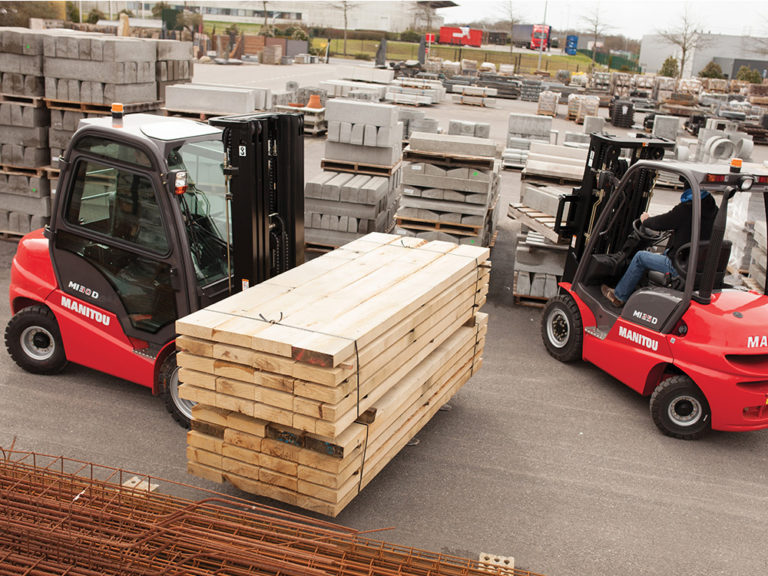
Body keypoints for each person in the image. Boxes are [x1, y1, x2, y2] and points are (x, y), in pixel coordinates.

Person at [601, 186, 718, 307]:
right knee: (665, 251)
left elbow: (661, 222)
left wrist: (646, 220)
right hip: (696, 262)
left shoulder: (687, 209)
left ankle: (619, 296)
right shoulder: (713, 209)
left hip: (679, 266)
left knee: (640, 257)